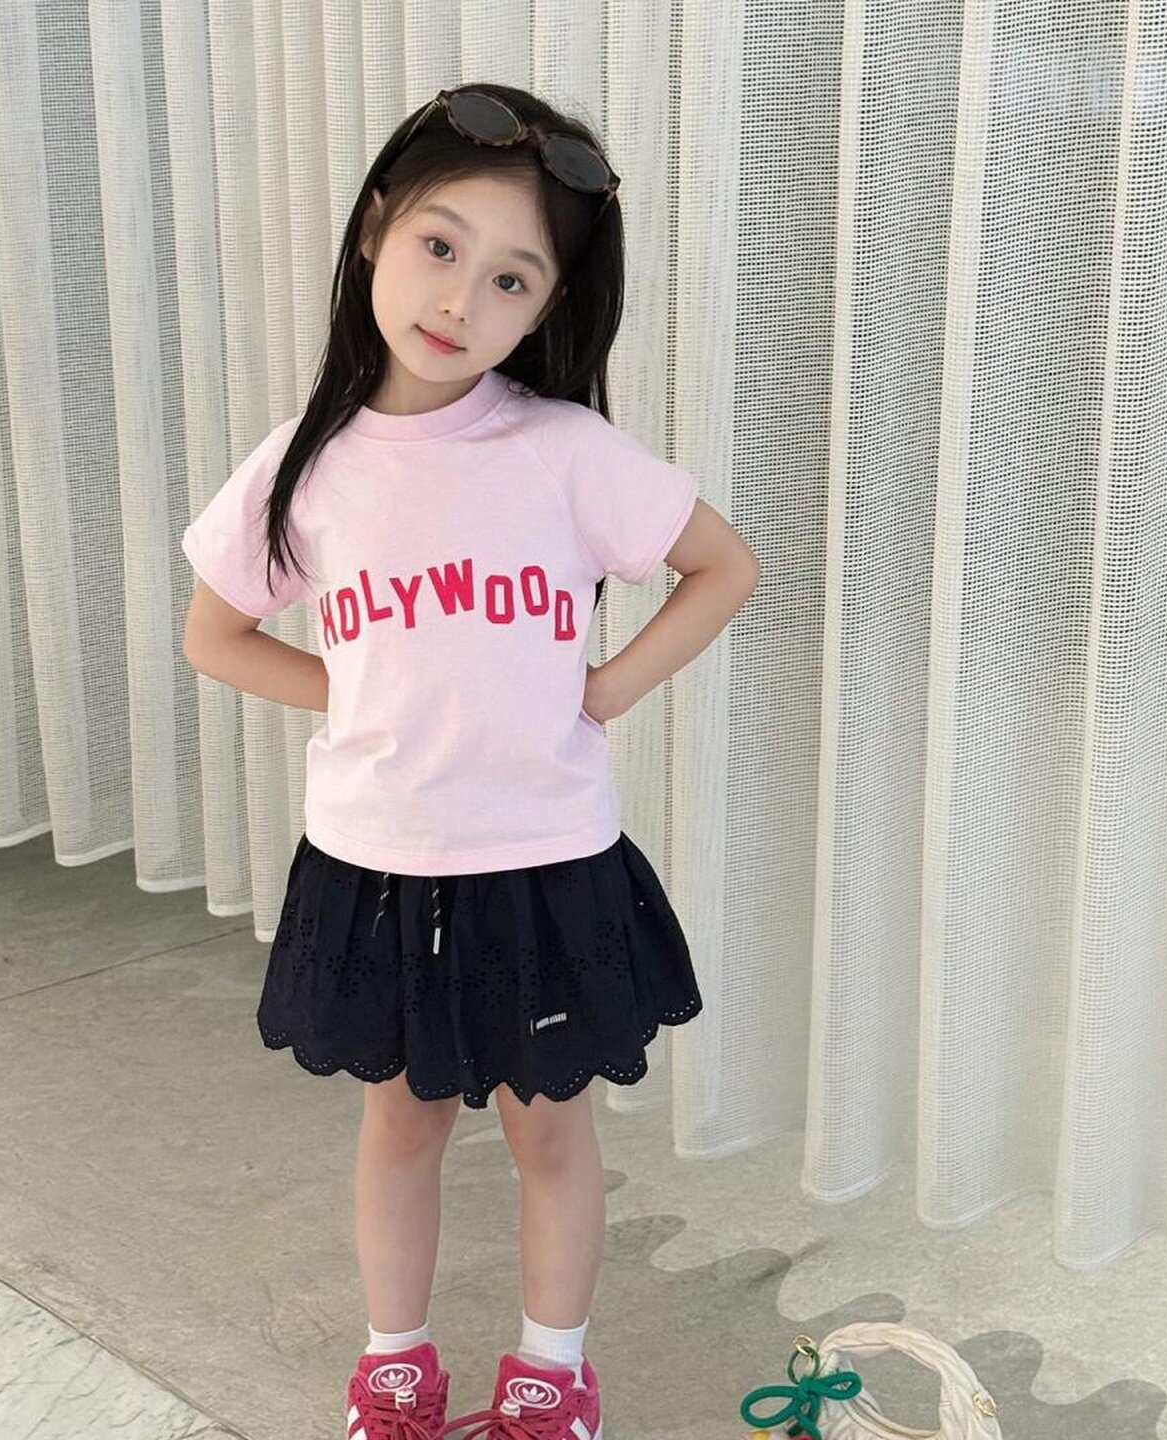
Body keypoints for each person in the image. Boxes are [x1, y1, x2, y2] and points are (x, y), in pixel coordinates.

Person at [179, 82, 759, 1440]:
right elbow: (215, 634)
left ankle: (552, 1376)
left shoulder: (561, 450)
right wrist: (358, 689)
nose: (460, 299)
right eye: (441, 246)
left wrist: (604, 689)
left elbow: (723, 566)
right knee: (401, 1124)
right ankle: (397, 1365)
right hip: (379, 861)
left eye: (511, 279)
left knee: (550, 1128)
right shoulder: (307, 464)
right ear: (376, 226)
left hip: (546, 860)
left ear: (545, 309)